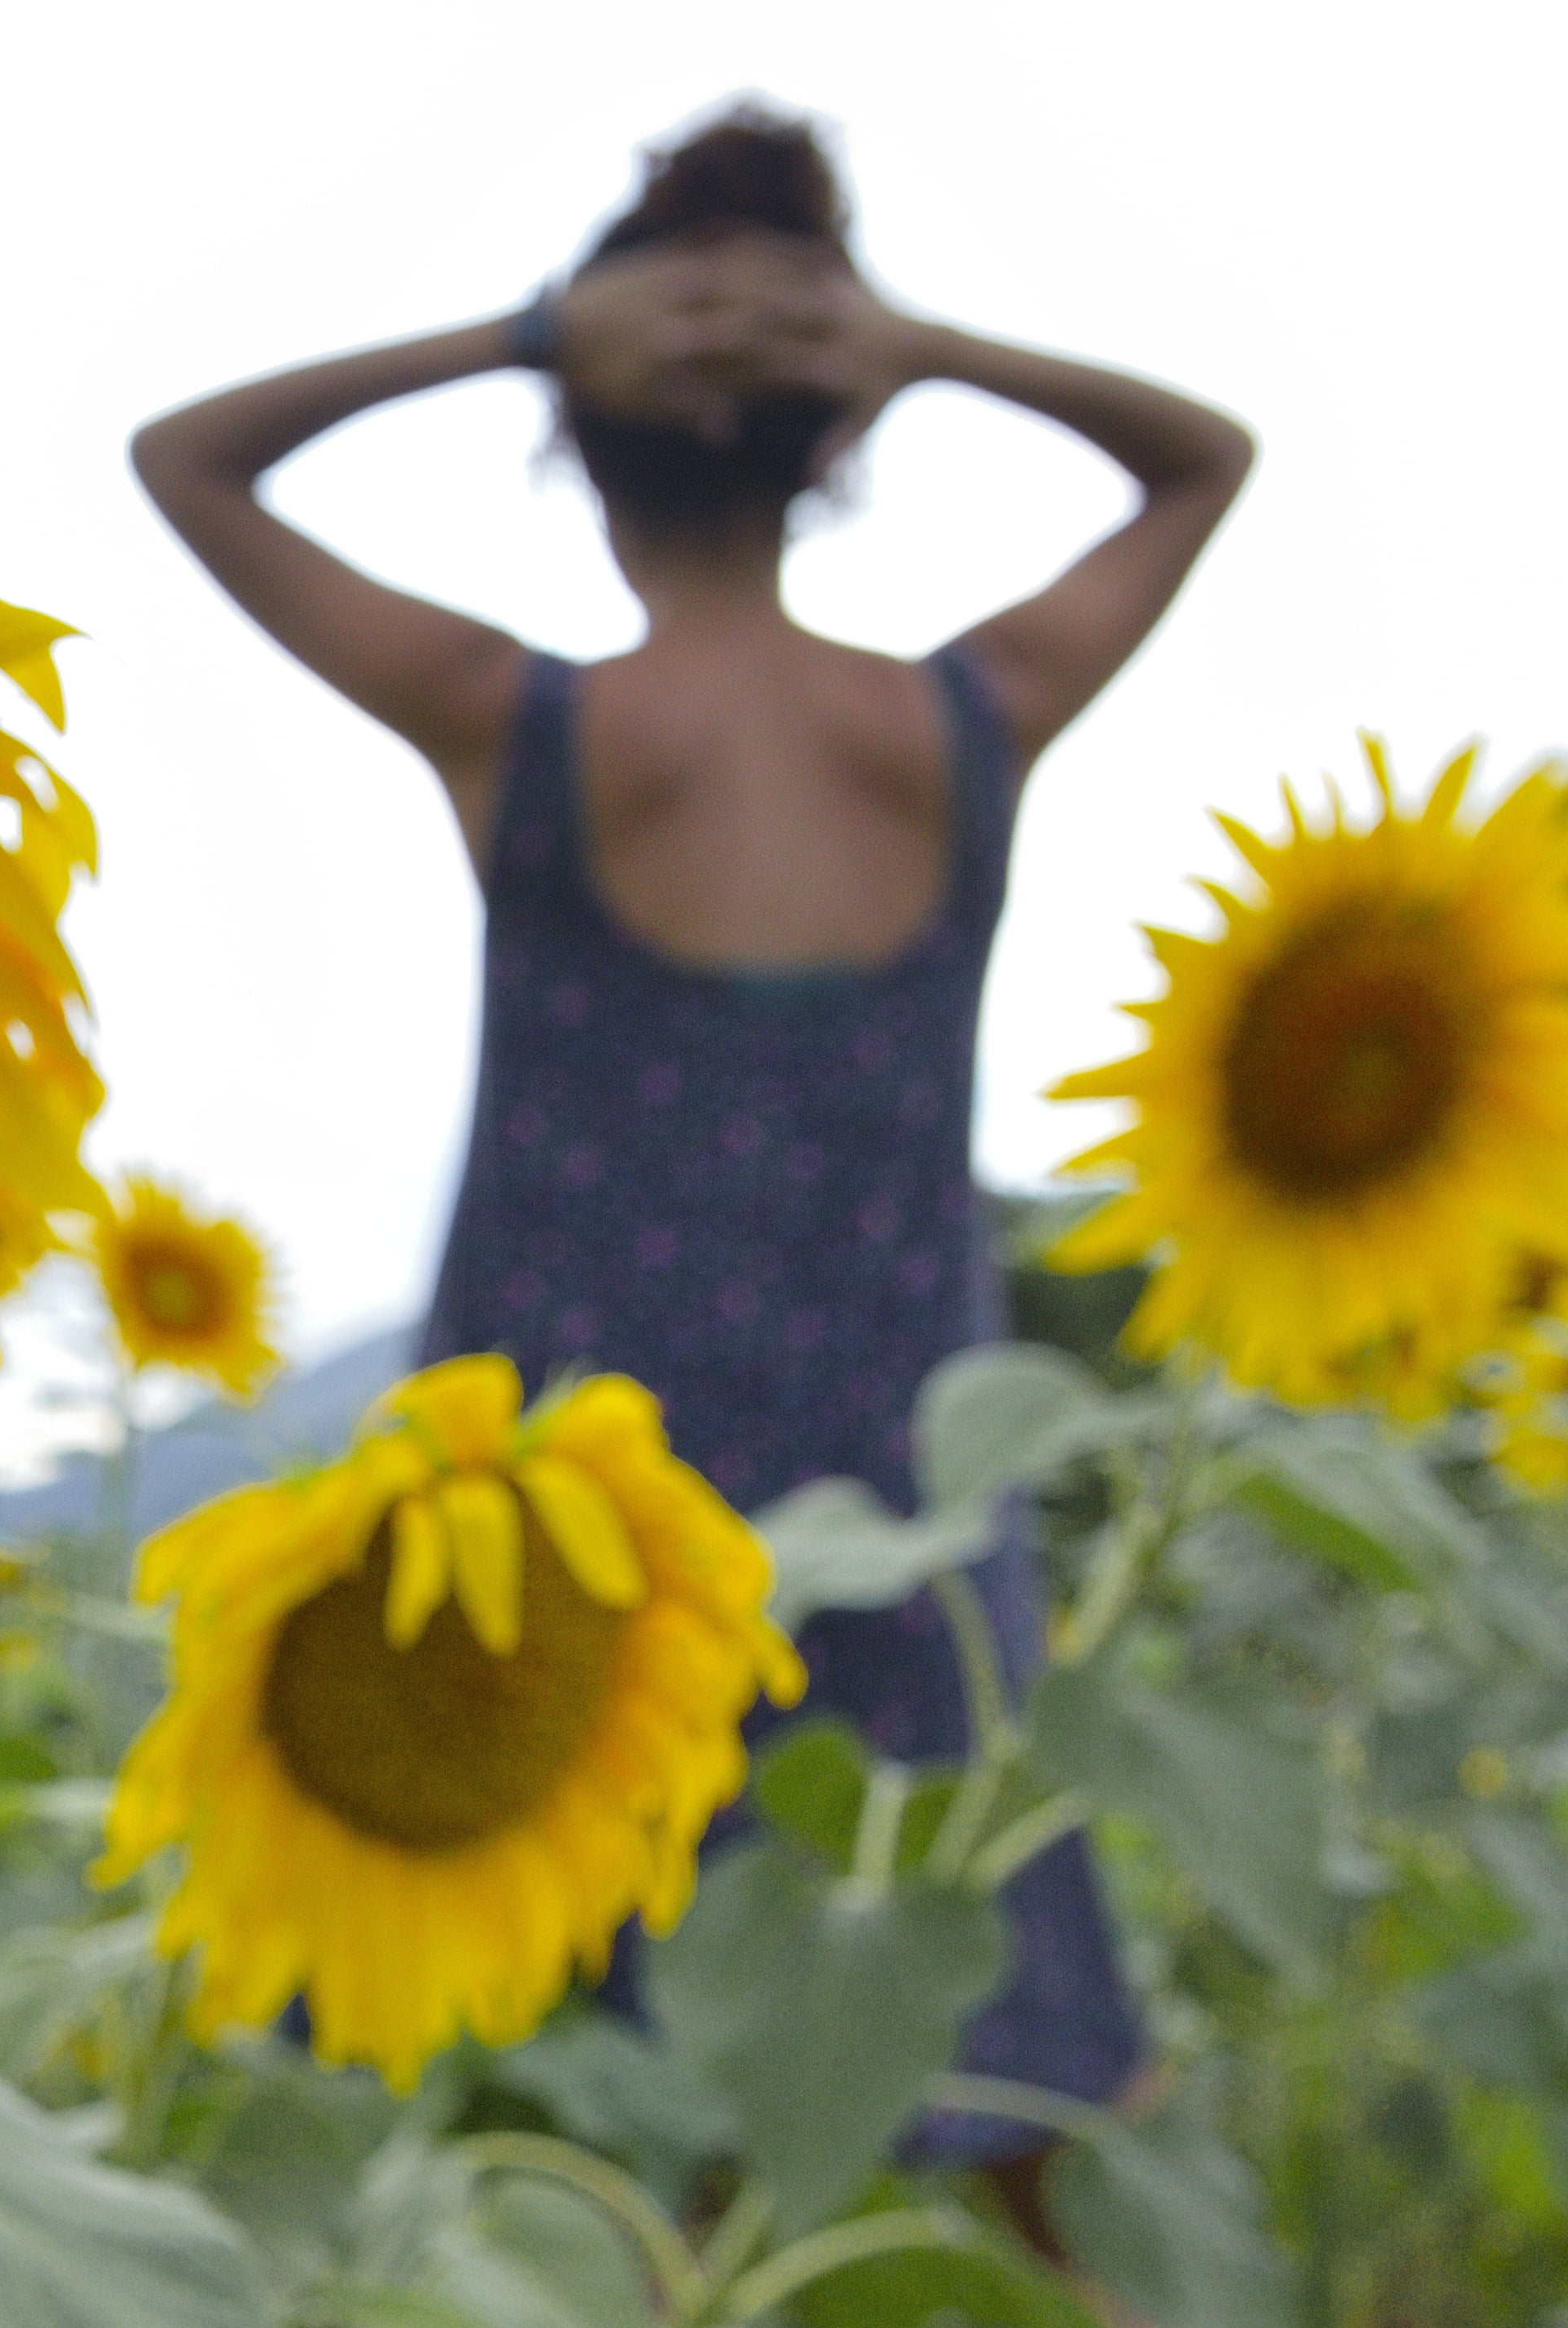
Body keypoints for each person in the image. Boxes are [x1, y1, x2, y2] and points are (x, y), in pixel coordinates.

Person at [131, 102, 1252, 2140]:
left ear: (593, 438)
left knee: (524, 2104)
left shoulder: (521, 719)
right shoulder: (970, 717)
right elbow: (1206, 458)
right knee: (1026, 2065)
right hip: (901, 1474)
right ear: (832, 442)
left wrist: (524, 336)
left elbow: (188, 459)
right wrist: (917, 347)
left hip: (561, 1497)